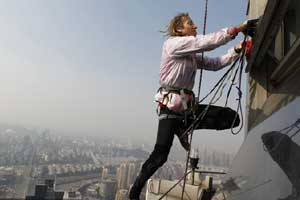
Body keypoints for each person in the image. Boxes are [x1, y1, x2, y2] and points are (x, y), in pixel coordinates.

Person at [129, 13, 247, 200]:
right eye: (190, 24)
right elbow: (206, 42)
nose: (195, 26)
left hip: (186, 109)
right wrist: (236, 30)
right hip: (170, 108)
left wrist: (236, 50)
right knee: (160, 155)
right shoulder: (172, 45)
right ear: (179, 30)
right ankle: (135, 191)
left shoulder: (191, 57)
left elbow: (215, 63)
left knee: (232, 118)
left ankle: (184, 127)